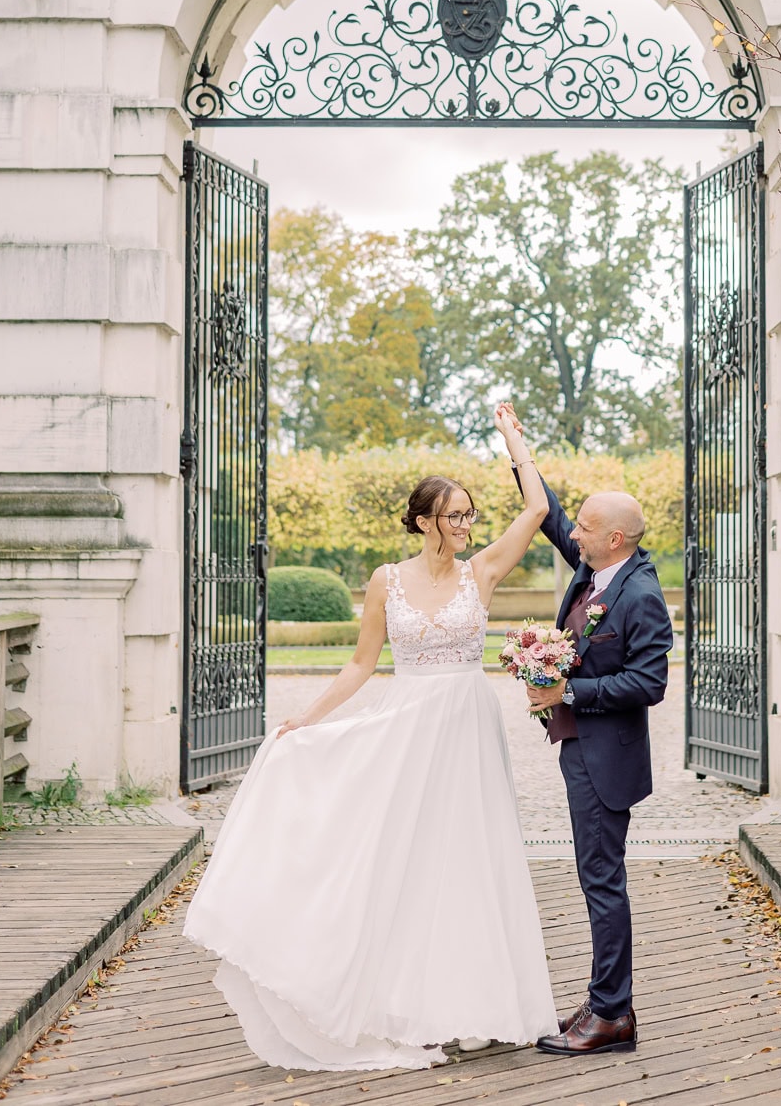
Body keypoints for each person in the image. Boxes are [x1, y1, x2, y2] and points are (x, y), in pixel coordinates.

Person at [184, 402, 558, 1072]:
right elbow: (361, 662)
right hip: (408, 725)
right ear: (422, 520)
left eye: (471, 513)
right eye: (455, 515)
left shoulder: (485, 572)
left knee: (471, 858)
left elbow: (534, 510)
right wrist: (310, 718)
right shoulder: (387, 580)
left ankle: (474, 1006)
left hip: (468, 727)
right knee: (405, 862)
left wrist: (514, 443)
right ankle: (403, 1004)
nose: (467, 524)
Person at [508, 431, 674, 1057]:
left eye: (586, 527)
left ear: (615, 539)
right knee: (594, 875)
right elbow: (548, 512)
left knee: (602, 880)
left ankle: (612, 1015)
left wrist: (569, 695)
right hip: (580, 750)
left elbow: (649, 682)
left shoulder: (640, 594)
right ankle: (607, 1000)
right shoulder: (595, 568)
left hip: (607, 760)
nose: (572, 533)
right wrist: (518, 450)